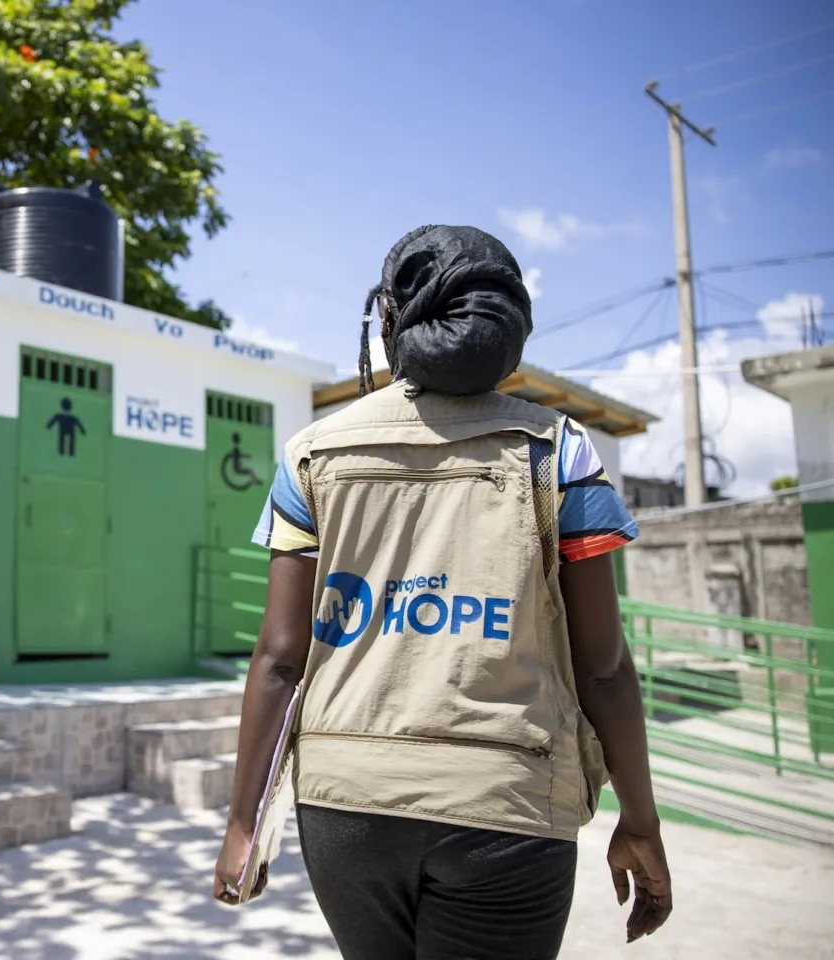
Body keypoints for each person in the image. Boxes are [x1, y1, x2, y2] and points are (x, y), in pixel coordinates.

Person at [211, 225, 672, 959]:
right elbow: (606, 668)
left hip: (343, 806)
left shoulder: (312, 453)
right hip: (509, 805)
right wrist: (640, 822)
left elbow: (278, 659)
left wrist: (242, 826)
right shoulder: (559, 451)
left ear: (389, 321)